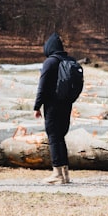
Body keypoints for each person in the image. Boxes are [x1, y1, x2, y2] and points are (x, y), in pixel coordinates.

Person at [34, 32, 75, 184]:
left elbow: (42, 86)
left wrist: (37, 106)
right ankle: (65, 174)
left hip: (52, 105)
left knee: (53, 137)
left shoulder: (50, 62)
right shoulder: (69, 60)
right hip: (67, 103)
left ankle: (57, 174)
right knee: (60, 137)